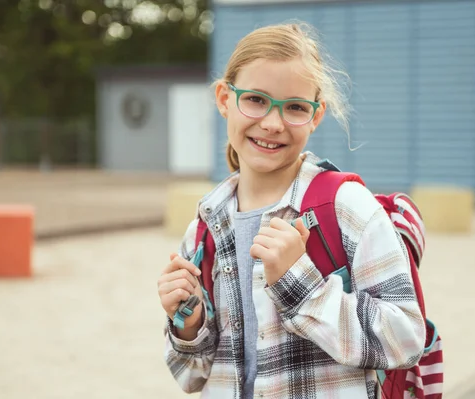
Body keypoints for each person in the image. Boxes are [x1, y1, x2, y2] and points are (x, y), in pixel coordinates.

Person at [157, 21, 426, 399]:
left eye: (295, 107)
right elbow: (191, 377)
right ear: (223, 99)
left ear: (316, 116)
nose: (272, 123)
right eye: (255, 99)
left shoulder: (346, 208)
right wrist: (187, 321)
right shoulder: (205, 228)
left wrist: (299, 285)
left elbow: (406, 339)